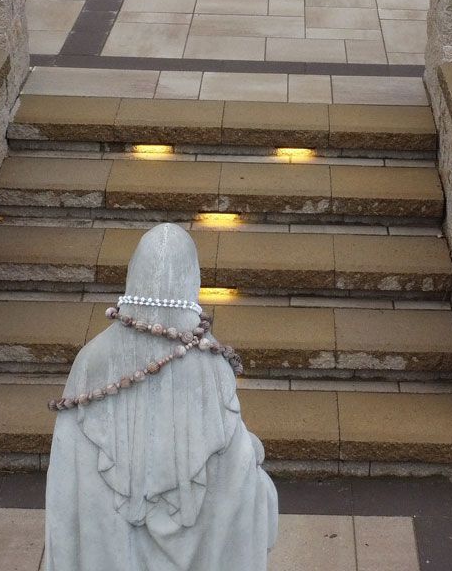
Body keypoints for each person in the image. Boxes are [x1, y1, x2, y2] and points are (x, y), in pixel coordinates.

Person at [44, 224, 278, 571]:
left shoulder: (92, 359)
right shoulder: (210, 364)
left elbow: (67, 471)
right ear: (192, 280)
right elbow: (236, 472)